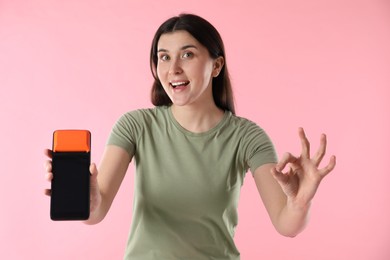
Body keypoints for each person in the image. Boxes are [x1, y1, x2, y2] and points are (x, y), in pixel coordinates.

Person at [44, 13, 336, 260]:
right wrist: (89, 199)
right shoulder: (135, 125)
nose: (173, 69)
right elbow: (95, 214)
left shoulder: (248, 137)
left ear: (216, 66)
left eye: (187, 54)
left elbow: (287, 225)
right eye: (164, 57)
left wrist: (299, 202)